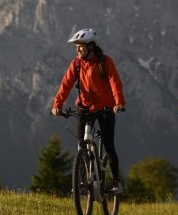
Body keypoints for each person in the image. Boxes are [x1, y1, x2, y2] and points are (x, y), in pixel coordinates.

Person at [51, 28, 126, 192]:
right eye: (76, 47)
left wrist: (118, 103)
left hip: (106, 108)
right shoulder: (76, 64)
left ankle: (115, 181)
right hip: (84, 107)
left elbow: (115, 82)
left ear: (91, 46)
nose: (77, 50)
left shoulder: (105, 62)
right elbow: (66, 84)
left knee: (108, 144)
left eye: (81, 46)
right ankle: (84, 182)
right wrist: (57, 105)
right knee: (82, 145)